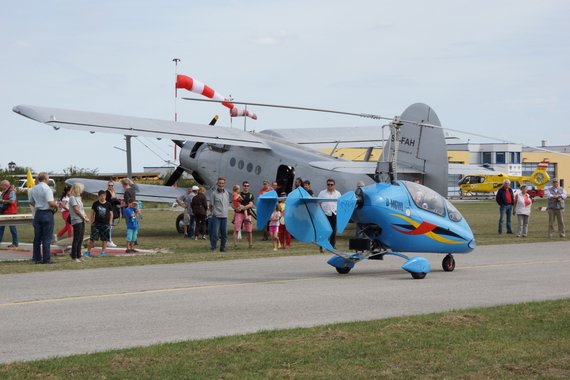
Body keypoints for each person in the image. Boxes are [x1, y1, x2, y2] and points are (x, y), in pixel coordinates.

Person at [28, 172, 58, 264]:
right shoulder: (47, 188)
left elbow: (31, 202)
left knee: (37, 238)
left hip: (38, 213)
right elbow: (50, 203)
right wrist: (57, 204)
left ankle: (37, 258)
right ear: (45, 179)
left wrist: (38, 205)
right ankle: (46, 259)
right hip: (47, 213)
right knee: (47, 238)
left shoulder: (33, 189)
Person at [85, 190, 113, 257]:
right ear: (99, 196)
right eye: (101, 196)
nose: (103, 197)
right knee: (92, 239)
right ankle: (88, 252)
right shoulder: (95, 204)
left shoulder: (108, 204)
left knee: (104, 239)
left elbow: (111, 214)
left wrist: (110, 223)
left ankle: (103, 252)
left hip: (105, 224)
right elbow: (92, 213)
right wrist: (92, 223)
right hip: (96, 224)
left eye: (104, 196)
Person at [208, 177, 231, 252]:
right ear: (217, 183)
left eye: (222, 183)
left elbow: (227, 203)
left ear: (224, 184)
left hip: (224, 216)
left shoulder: (226, 193)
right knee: (215, 233)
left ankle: (222, 248)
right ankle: (213, 247)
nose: (221, 184)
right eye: (220, 183)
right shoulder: (213, 193)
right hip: (216, 216)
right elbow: (211, 205)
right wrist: (213, 213)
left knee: (224, 234)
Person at [68, 182, 89, 262]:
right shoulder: (72, 198)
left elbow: (81, 209)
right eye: (81, 189)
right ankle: (74, 256)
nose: (82, 190)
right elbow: (76, 210)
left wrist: (85, 216)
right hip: (76, 220)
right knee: (76, 238)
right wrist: (83, 217)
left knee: (80, 238)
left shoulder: (79, 198)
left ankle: (79, 255)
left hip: (81, 219)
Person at [318, 179, 341, 249]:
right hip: (325, 214)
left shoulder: (338, 193)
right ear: (326, 185)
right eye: (328, 184)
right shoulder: (322, 193)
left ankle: (332, 246)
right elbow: (318, 203)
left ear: (334, 185)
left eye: (331, 184)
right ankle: (322, 245)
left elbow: (340, 204)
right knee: (324, 230)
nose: (330, 186)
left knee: (333, 230)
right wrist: (320, 213)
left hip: (334, 213)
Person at [233, 181, 255, 248]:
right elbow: (233, 203)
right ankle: (235, 245)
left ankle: (250, 244)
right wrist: (236, 208)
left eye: (247, 185)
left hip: (247, 214)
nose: (246, 187)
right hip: (239, 213)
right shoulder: (238, 193)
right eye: (245, 185)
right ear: (243, 186)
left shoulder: (251, 195)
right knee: (236, 229)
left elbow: (251, 204)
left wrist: (243, 208)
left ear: (249, 186)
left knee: (249, 230)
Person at [0, 179, 19, 248]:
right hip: (5, 211)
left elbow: (12, 201)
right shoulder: (5, 191)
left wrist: (2, 201)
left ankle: (15, 243)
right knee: (1, 227)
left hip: (11, 212)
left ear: (5, 185)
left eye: (1, 185)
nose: (0, 186)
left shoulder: (11, 191)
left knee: (12, 228)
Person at [105, 181, 120, 248]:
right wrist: (114, 199)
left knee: (111, 226)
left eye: (112, 185)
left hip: (113, 211)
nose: (110, 186)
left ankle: (109, 240)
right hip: (108, 211)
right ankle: (109, 241)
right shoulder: (107, 192)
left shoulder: (113, 192)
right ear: (107, 185)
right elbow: (107, 201)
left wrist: (115, 200)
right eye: (109, 185)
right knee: (109, 227)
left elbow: (116, 202)